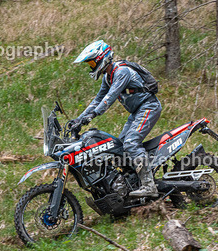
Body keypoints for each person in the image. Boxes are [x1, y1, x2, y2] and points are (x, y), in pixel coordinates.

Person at [68, 40, 162, 197]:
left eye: (92, 62)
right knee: (120, 148)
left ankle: (149, 185)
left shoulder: (121, 72)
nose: (91, 66)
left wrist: (92, 115)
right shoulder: (108, 77)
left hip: (149, 107)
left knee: (131, 143)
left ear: (101, 58)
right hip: (137, 111)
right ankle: (133, 183)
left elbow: (109, 98)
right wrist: (79, 119)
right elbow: (97, 100)